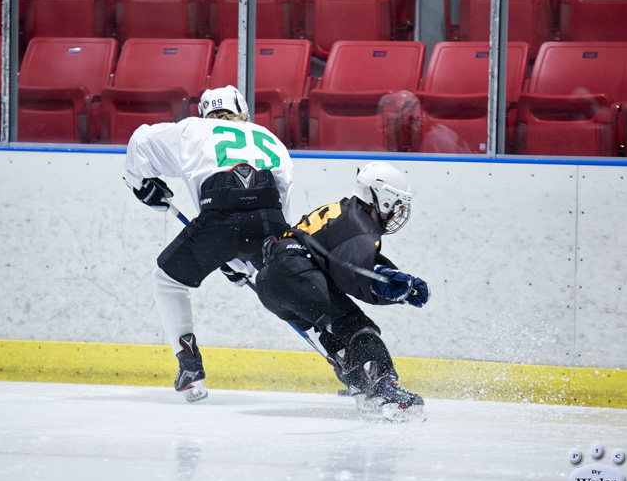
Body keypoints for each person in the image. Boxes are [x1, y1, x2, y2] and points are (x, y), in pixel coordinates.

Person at [123, 85, 294, 403]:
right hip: (270, 223)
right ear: (243, 113)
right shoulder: (270, 138)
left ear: (204, 112)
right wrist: (246, 261)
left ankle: (189, 366)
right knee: (292, 286)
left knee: (168, 282)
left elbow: (141, 139)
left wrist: (139, 183)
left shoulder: (193, 129)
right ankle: (346, 360)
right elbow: (280, 203)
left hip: (219, 223)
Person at [255, 161, 430, 421]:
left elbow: (346, 258)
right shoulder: (361, 226)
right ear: (383, 199)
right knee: (357, 326)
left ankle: (360, 383)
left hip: (272, 282)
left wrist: (396, 279)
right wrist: (394, 288)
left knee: (332, 331)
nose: (396, 213)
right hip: (297, 275)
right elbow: (355, 273)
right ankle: (384, 386)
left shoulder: (344, 211)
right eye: (395, 205)